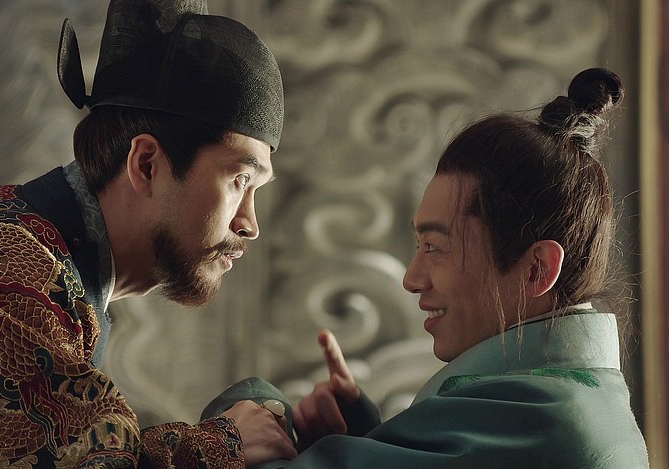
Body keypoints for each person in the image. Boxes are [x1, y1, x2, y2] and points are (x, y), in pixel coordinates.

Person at [0, 0, 297, 467]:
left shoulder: (15, 231)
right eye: (239, 181)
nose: (249, 224)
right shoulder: (5, 271)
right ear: (146, 165)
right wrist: (223, 444)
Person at [209, 68, 650, 468]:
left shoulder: (540, 422)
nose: (411, 279)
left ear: (536, 269)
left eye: (436, 248)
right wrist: (362, 438)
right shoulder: (572, 402)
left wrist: (257, 416)